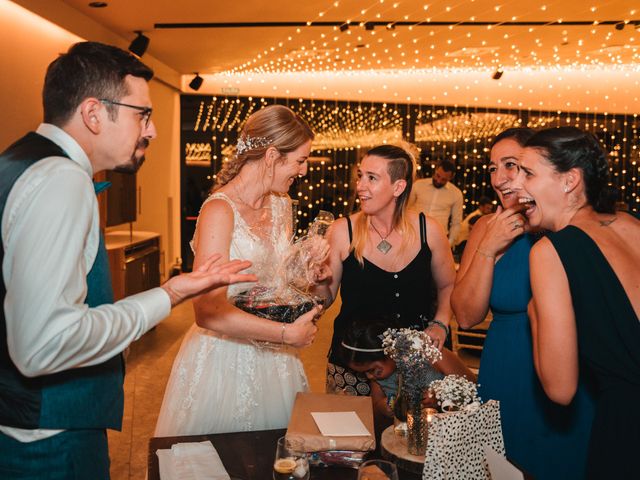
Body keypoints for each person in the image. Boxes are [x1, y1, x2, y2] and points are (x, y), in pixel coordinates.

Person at [0, 42, 257, 480]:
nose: (152, 130)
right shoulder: (61, 180)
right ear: (94, 113)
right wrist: (169, 293)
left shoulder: (20, 162)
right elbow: (43, 345)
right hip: (48, 442)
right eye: (142, 113)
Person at [155, 105, 324, 437]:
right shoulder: (219, 211)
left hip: (276, 362)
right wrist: (287, 335)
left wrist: (306, 268)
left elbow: (279, 282)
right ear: (273, 155)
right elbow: (207, 312)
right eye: (300, 161)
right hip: (224, 358)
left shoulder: (281, 204)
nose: (303, 171)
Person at [450, 128, 593, 480]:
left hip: (568, 374)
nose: (499, 179)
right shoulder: (486, 226)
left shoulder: (568, 227)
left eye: (512, 166)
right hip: (504, 370)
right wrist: (489, 247)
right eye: (492, 168)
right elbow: (466, 316)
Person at [513, 126, 639, 478]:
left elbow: (561, 388)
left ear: (569, 180)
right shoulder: (632, 224)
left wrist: (534, 312)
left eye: (528, 173)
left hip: (628, 430)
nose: (516, 185)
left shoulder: (550, 251)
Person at [318, 144, 456, 397]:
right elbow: (323, 300)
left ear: (398, 187)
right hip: (354, 363)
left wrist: (441, 323)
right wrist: (318, 281)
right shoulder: (341, 231)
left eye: (372, 178)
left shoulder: (430, 230)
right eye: (360, 176)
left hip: (416, 363)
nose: (360, 186)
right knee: (353, 433)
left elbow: (448, 285)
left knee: (415, 434)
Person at [339, 315, 475, 420]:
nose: (370, 376)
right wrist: (382, 407)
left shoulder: (430, 353)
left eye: (372, 370)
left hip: (448, 430)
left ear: (390, 352)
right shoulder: (379, 378)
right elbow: (375, 409)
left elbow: (471, 383)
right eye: (364, 374)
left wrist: (440, 396)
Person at [411, 159, 463, 247]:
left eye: (443, 179)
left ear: (450, 178)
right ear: (435, 170)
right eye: (437, 176)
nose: (438, 181)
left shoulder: (456, 193)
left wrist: (449, 243)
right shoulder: (418, 185)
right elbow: (406, 208)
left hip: (438, 239)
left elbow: (456, 222)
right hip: (414, 234)